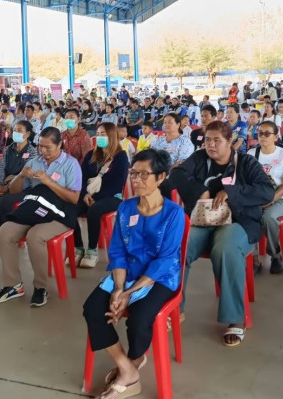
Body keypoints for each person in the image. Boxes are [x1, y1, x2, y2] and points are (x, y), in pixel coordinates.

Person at [82, 149, 186, 399]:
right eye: (133, 174)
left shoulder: (174, 213)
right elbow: (117, 251)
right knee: (93, 308)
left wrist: (130, 293)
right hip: (127, 272)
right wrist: (119, 288)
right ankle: (127, 369)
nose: (136, 179)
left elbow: (165, 260)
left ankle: (136, 357)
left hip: (160, 277)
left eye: (143, 174)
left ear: (160, 177)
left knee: (139, 318)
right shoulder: (126, 208)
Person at [169, 121, 272, 347]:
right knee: (178, 245)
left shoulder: (246, 162)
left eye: (217, 140)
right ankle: (175, 306)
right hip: (203, 222)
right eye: (207, 140)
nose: (211, 145)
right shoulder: (199, 159)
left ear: (230, 142)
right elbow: (176, 174)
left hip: (238, 222)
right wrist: (200, 191)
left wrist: (231, 192)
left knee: (226, 247)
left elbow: (266, 191)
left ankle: (235, 317)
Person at [0, 127, 82, 308]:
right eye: (40, 146)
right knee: (6, 231)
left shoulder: (71, 164)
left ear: (59, 145)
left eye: (48, 147)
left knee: (35, 236)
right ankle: (13, 285)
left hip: (60, 214)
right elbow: (14, 190)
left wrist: (49, 182)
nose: (43, 151)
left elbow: (74, 198)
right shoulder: (34, 162)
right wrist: (21, 176)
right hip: (35, 209)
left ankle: (40, 287)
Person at [74, 123, 131, 268]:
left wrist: (95, 197)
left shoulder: (121, 157)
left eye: (103, 134)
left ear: (112, 136)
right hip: (89, 195)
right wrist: (84, 195)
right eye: (98, 134)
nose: (99, 137)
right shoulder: (91, 155)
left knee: (94, 210)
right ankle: (78, 247)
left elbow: (117, 183)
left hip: (112, 197)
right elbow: (81, 178)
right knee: (70, 209)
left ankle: (92, 251)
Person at [248, 121, 283, 274]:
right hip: (255, 198)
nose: (263, 136)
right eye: (260, 133)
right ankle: (254, 257)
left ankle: (275, 254)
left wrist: (270, 200)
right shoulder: (251, 154)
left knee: (268, 218)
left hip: (278, 198)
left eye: (267, 133)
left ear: (275, 137)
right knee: (246, 216)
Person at [0, 120, 38, 243]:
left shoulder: (32, 152)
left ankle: (9, 235)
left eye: (20, 130)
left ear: (27, 134)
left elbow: (26, 174)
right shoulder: (9, 149)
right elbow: (1, 167)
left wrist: (9, 186)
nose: (16, 132)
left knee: (5, 201)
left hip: (25, 187)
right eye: (14, 130)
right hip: (6, 184)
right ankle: (1, 232)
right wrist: (0, 185)